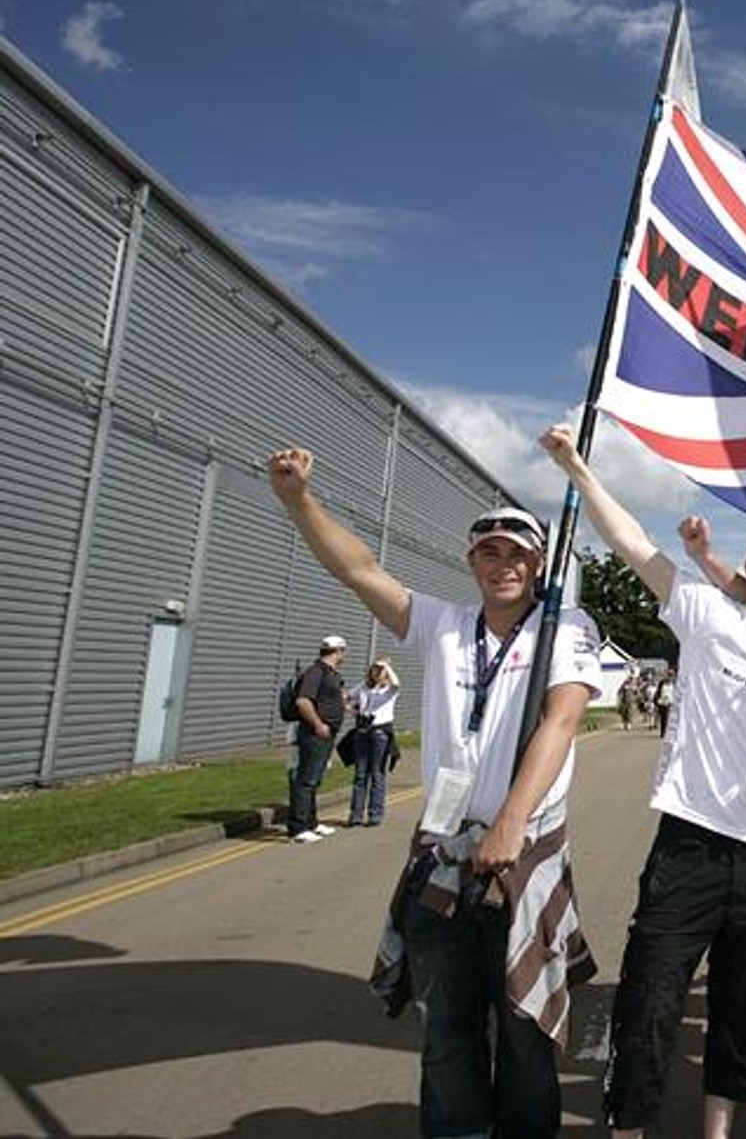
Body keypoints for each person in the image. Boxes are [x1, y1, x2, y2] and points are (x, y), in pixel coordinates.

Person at [269, 451, 602, 1138]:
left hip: (523, 853)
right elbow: (357, 568)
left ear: (538, 563)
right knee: (446, 1025)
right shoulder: (445, 625)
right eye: (488, 552)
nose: (502, 563)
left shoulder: (567, 630)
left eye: (516, 553)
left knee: (523, 1026)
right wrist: (301, 500)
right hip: (443, 854)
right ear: (471, 560)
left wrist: (510, 819)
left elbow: (561, 721)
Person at [540, 424, 746, 1139]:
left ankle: (716, 1128)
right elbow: (632, 541)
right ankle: (631, 1126)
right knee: (649, 1002)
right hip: (689, 847)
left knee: (745, 1008)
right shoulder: (703, 614)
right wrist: (577, 468)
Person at [286, 634, 347, 842]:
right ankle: (298, 827)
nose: (343, 655)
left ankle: (311, 823)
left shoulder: (330, 673)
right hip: (315, 734)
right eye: (342, 651)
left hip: (327, 733)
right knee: (306, 780)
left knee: (315, 779)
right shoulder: (315, 672)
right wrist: (318, 724)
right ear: (337, 651)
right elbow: (303, 702)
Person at [346, 658, 400, 828]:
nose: (377, 672)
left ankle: (375, 815)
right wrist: (354, 711)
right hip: (362, 732)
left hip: (380, 733)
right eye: (375, 669)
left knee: (377, 774)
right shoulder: (363, 687)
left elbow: (397, 684)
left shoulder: (389, 691)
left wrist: (387, 666)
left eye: (380, 670)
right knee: (360, 775)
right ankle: (356, 815)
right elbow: (346, 697)